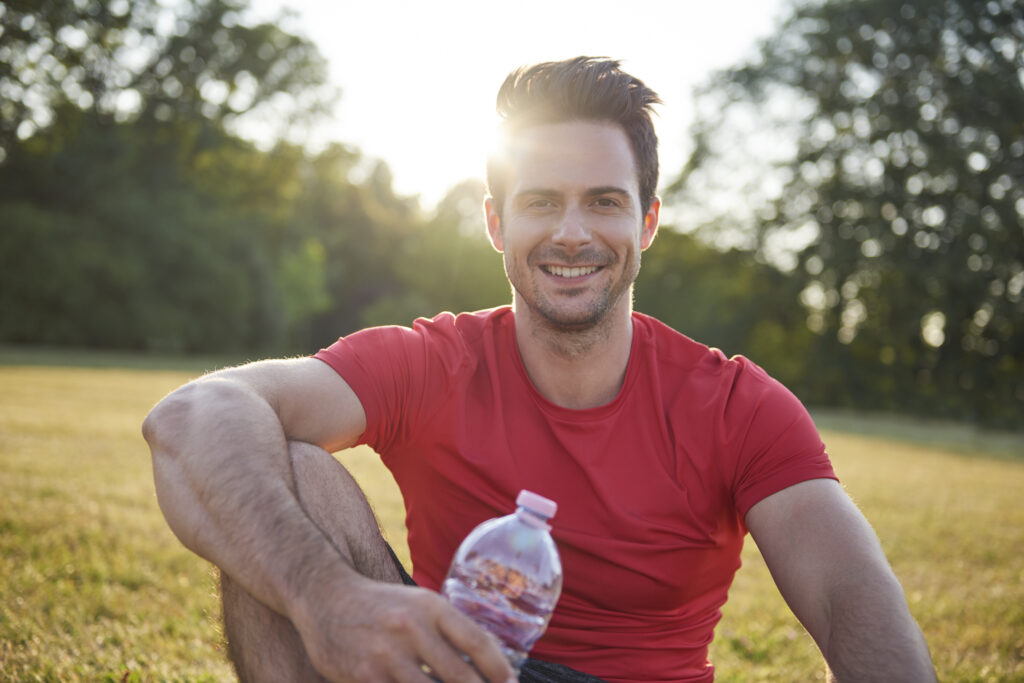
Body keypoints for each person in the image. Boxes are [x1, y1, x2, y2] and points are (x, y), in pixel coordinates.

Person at [142, 57, 936, 683]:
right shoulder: (433, 362)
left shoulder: (734, 405)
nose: (571, 232)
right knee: (289, 471)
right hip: (454, 664)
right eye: (541, 202)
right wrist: (325, 597)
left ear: (647, 220)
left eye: (603, 201)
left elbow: (847, 597)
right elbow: (191, 419)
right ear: (496, 221)